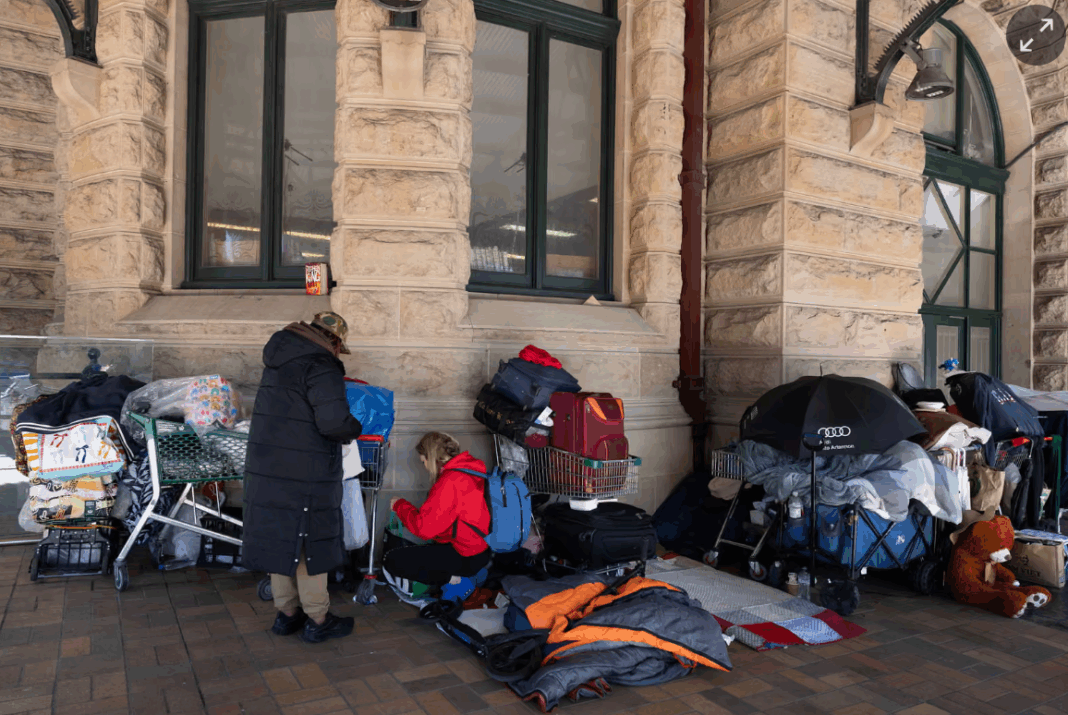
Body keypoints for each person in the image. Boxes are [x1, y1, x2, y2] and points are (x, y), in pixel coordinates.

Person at [242, 311, 364, 644]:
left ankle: (287, 613)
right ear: (335, 342)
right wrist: (356, 428)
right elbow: (334, 423)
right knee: (310, 541)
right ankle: (318, 618)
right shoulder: (320, 364)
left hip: (268, 465)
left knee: (281, 535)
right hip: (303, 469)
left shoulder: (280, 357)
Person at [384, 432, 491, 591]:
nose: (425, 467)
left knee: (393, 560)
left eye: (423, 462)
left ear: (431, 458)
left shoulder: (450, 481)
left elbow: (423, 529)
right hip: (481, 549)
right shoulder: (470, 469)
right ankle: (465, 576)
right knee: (426, 550)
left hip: (465, 556)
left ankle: (455, 580)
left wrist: (400, 505)